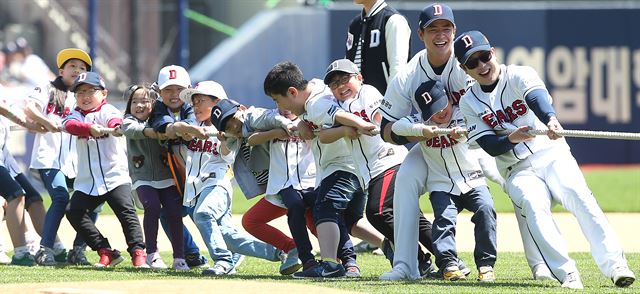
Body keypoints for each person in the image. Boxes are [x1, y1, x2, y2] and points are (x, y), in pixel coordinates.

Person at [455, 30, 636, 289]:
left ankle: (616, 265)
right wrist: (511, 139)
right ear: (464, 69)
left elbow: (536, 98)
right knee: (532, 204)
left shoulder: (519, 73)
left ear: (492, 52)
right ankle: (568, 273)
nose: (482, 65)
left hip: (551, 154)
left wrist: (550, 118)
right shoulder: (468, 102)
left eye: (484, 56)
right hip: (517, 169)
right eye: (473, 62)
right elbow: (489, 146)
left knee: (578, 195)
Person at [378, 3, 546, 281]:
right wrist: (422, 132)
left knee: (516, 184)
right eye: (433, 29)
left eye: (446, 28)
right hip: (433, 146)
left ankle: (539, 263)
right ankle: (405, 265)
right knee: (406, 177)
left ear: (454, 31)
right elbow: (385, 129)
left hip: (477, 143)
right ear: (421, 34)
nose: (440, 34)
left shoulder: (468, 61)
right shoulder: (408, 75)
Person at [319, 58, 438, 275]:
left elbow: (378, 120)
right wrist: (347, 128)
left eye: (345, 79)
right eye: (334, 84)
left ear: (359, 78)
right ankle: (448, 260)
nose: (340, 86)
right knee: (412, 218)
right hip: (374, 169)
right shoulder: (336, 107)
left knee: (379, 211)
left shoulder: (368, 92)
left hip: (389, 161)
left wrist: (363, 124)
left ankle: (420, 260)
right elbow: (323, 136)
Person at [264, 61, 367, 278]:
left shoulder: (315, 103)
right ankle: (386, 248)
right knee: (356, 219)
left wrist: (359, 125)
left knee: (327, 209)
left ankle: (330, 265)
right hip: (348, 166)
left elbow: (335, 115)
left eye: (278, 100)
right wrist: (302, 121)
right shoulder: (317, 89)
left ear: (292, 91)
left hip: (344, 165)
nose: (281, 106)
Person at [175, 82, 287, 276]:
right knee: (227, 237)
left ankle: (223, 260)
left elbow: (228, 155)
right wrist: (190, 130)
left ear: (217, 102)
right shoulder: (194, 124)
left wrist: (223, 139)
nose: (196, 106)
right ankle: (279, 252)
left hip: (217, 184)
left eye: (201, 100)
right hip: (194, 189)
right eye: (194, 103)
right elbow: (176, 127)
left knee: (203, 215)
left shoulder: (230, 128)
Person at [390, 79, 497, 281]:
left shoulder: (463, 111)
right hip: (441, 184)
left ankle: (485, 265)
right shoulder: (422, 121)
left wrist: (465, 133)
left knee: (486, 210)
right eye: (433, 110)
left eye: (442, 105)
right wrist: (420, 131)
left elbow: (479, 124)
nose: (440, 113)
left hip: (472, 179)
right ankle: (449, 265)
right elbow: (397, 127)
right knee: (444, 220)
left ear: (449, 98)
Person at [63, 72, 147, 268]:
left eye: (91, 91)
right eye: (80, 92)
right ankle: (105, 250)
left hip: (114, 176)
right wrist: (89, 129)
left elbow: (114, 121)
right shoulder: (75, 113)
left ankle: (138, 253)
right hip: (88, 181)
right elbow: (69, 125)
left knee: (126, 213)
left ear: (104, 94)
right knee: (73, 212)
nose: (85, 96)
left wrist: (116, 126)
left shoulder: (107, 110)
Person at [24, 48, 96, 266]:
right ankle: (44, 250)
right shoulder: (48, 88)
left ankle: (78, 250)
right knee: (61, 197)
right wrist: (46, 122)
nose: (77, 70)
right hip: (49, 158)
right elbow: (30, 108)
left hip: (77, 161)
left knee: (93, 200)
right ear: (61, 70)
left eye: (82, 68)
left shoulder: (83, 95)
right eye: (72, 66)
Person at [238, 106, 319, 275]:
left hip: (309, 183)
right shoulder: (270, 117)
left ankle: (337, 259)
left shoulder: (311, 115)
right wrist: (274, 133)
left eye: (284, 98)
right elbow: (251, 140)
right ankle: (292, 247)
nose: (282, 104)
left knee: (315, 224)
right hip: (281, 187)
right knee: (250, 221)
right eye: (276, 99)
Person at [121, 84, 188, 270]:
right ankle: (152, 253)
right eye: (134, 101)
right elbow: (130, 130)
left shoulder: (159, 119)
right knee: (151, 206)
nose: (139, 106)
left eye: (144, 101)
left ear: (153, 103)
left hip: (166, 175)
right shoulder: (128, 120)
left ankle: (180, 258)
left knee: (174, 211)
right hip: (141, 176)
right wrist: (152, 132)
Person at [149, 65, 209, 268]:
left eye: (179, 89)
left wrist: (181, 128)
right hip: (181, 173)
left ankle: (228, 254)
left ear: (189, 89)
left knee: (203, 213)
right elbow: (163, 125)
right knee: (169, 214)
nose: (174, 95)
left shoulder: (192, 105)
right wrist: (177, 128)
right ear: (159, 91)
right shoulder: (158, 107)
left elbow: (190, 126)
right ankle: (192, 253)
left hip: (204, 170)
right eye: (168, 90)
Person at [346, 0, 411, 94]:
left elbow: (398, 69)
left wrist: (390, 103)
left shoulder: (394, 20)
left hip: (384, 102)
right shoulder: (354, 24)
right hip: (356, 105)